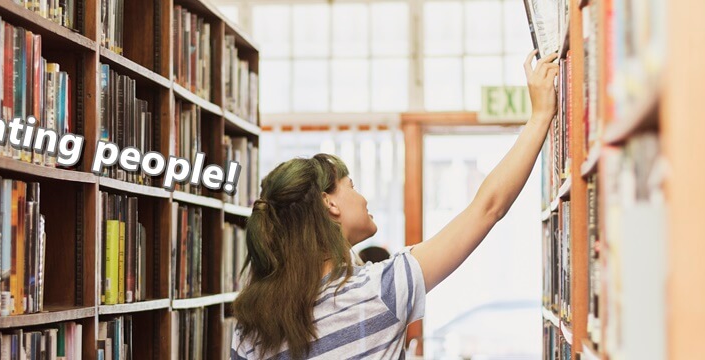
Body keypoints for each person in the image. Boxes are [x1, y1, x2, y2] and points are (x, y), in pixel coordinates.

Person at [230, 50, 560, 359]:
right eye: (352, 186)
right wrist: (540, 116)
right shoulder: (378, 292)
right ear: (329, 203)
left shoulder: (250, 328)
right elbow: (488, 208)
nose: (364, 197)